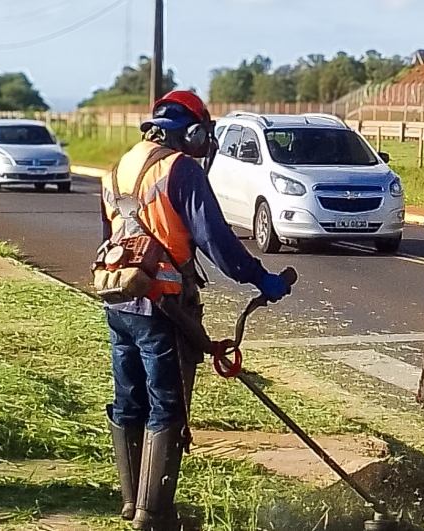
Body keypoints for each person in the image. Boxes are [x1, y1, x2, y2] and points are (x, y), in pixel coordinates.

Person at [97, 90, 291, 531]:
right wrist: (262, 279)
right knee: (166, 403)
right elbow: (217, 240)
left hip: (118, 301)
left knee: (130, 399)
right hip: (163, 307)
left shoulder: (116, 169)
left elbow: (109, 238)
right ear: (194, 131)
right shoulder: (179, 169)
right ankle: (154, 515)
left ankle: (131, 503)